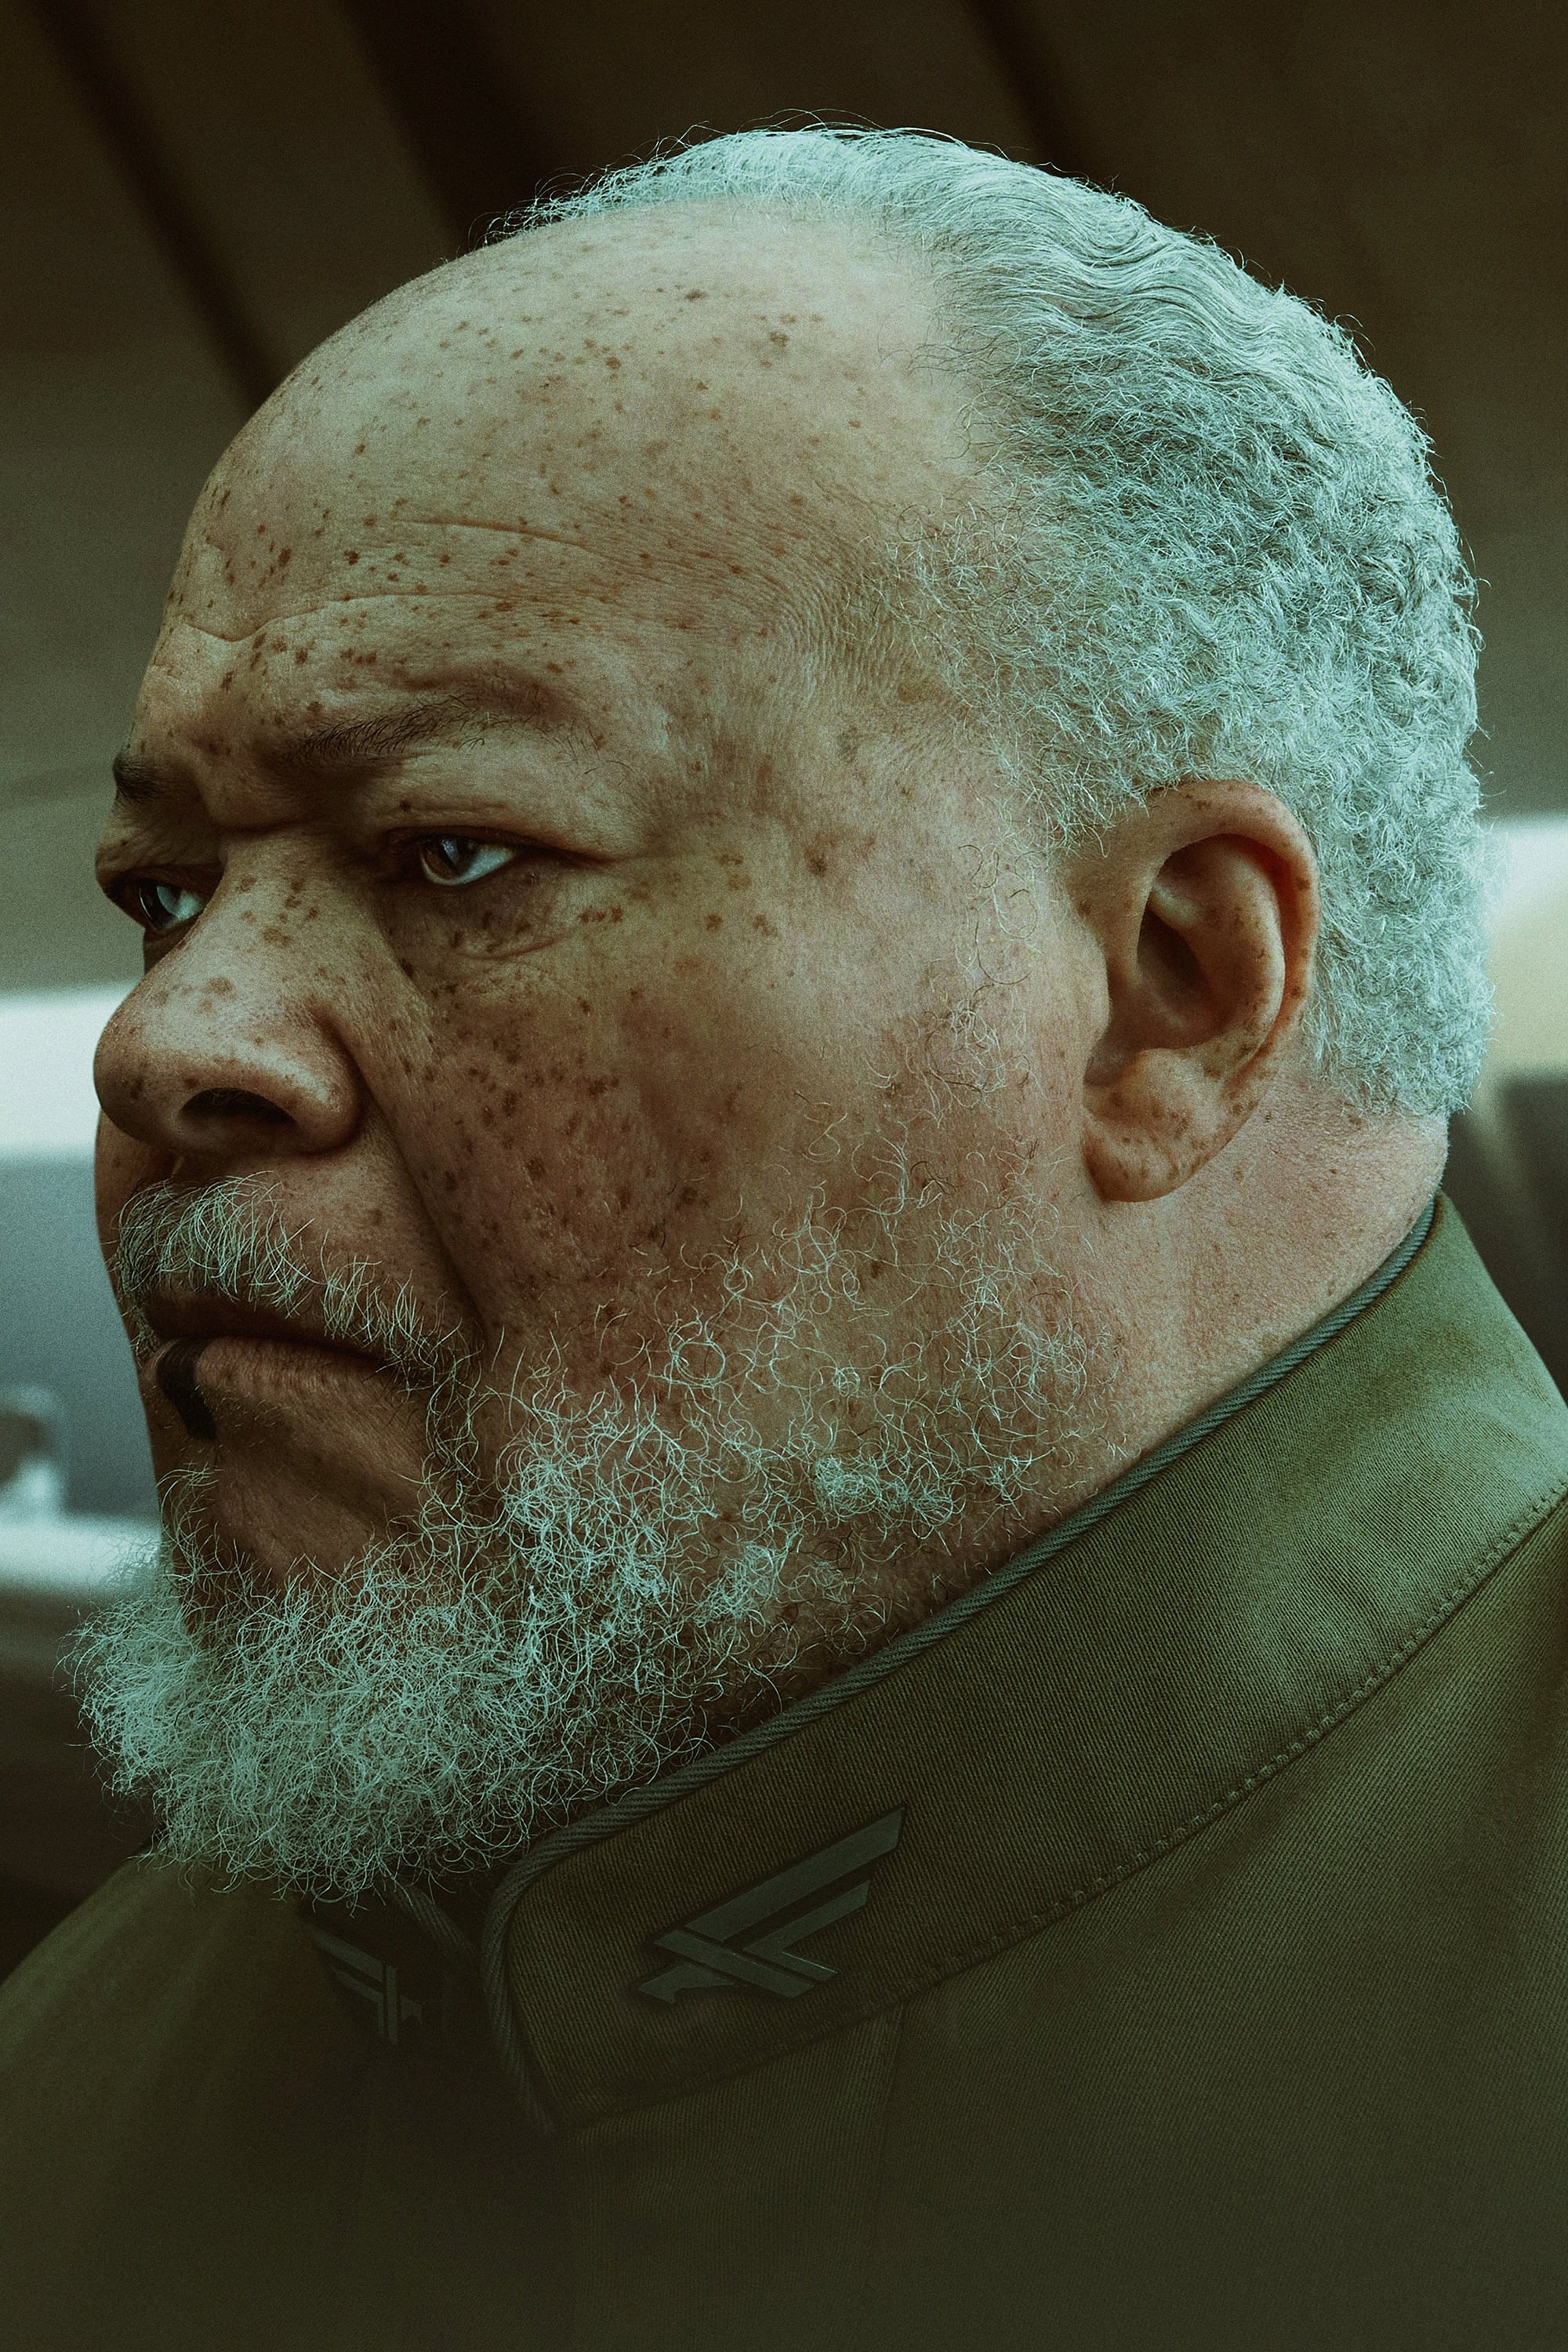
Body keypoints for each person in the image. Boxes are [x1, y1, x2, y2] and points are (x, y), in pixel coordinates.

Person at [2, 126, 1562, 2352]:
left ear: (1174, 992)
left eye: (455, 853)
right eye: (165, 893)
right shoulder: (87, 2084)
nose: (168, 1043)